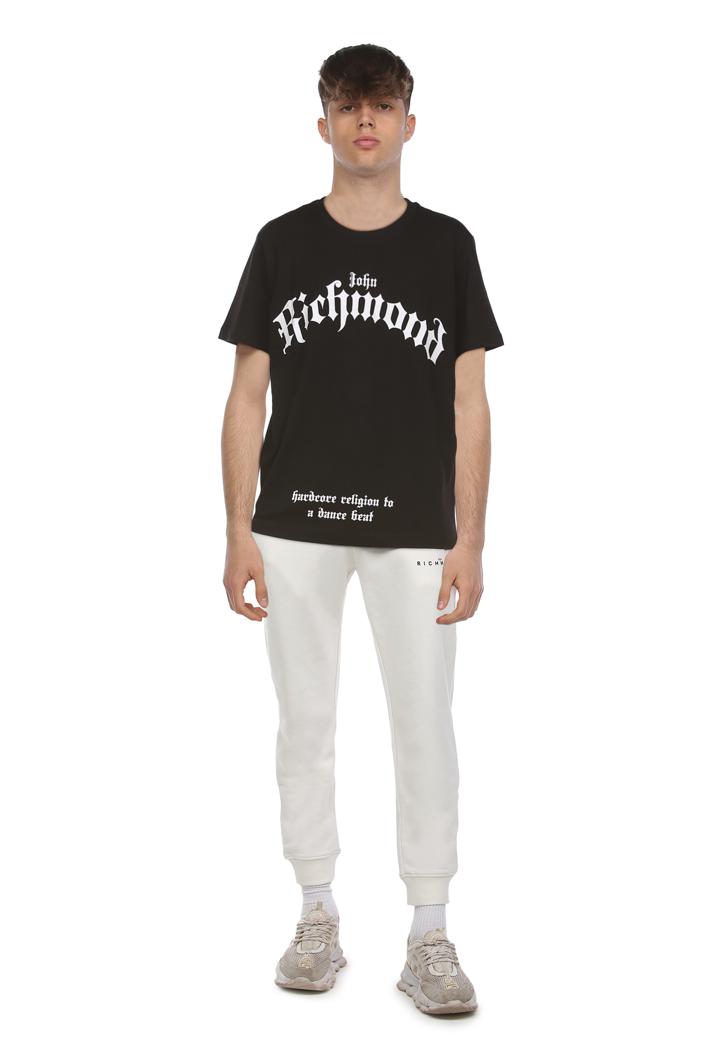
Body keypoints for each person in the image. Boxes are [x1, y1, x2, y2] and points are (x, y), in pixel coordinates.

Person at [218, 43, 503, 1016]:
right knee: (304, 722)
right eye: (348, 106)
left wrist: (471, 537)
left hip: (415, 524)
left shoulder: (447, 245)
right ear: (324, 124)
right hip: (293, 524)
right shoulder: (282, 242)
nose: (366, 121)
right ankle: (316, 913)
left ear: (409, 123)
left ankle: (430, 932)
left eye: (381, 106)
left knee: (425, 723)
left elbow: (470, 400)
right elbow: (245, 394)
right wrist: (236, 528)